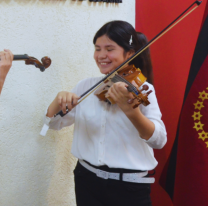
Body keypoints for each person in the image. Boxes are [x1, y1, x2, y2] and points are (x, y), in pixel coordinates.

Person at [42, 20, 167, 206]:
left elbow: (159, 140)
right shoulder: (86, 86)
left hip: (129, 188)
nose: (101, 55)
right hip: (87, 182)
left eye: (109, 49)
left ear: (130, 53)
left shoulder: (143, 89)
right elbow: (52, 124)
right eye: (97, 48)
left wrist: (131, 112)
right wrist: (57, 101)